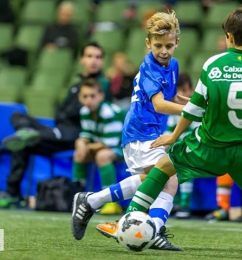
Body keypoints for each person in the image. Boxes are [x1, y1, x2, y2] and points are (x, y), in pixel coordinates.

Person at [123, 5, 242, 231]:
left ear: (229, 36)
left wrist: (174, 136)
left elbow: (195, 109)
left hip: (210, 146)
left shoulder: (213, 65)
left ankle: (130, 220)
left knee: (165, 166)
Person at [71, 10, 189, 251]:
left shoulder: (173, 65)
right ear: (148, 44)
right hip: (139, 133)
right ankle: (153, 229)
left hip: (152, 133)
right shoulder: (149, 68)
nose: (163, 51)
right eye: (158, 45)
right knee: (169, 179)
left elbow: (172, 96)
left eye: (168, 45)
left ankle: (91, 200)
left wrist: (197, 103)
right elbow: (159, 104)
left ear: (177, 42)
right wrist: (193, 112)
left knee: (155, 181)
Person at [0, 42, 110, 208]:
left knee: (26, 140)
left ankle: (19, 138)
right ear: (81, 60)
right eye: (89, 56)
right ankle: (12, 193)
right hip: (57, 131)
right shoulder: (75, 86)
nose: (94, 61)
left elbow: (97, 115)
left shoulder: (102, 85)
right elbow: (61, 113)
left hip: (76, 134)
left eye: (98, 57)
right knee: (19, 122)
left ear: (102, 61)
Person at [72, 77, 126, 215]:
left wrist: (87, 146)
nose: (89, 100)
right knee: (79, 154)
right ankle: (78, 198)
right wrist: (81, 142)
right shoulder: (84, 112)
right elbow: (86, 135)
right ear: (79, 97)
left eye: (92, 96)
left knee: (102, 156)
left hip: (125, 146)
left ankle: (110, 202)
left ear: (101, 96)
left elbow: (109, 143)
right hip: (103, 144)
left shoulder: (109, 112)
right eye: (85, 96)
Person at [164, 73, 200, 219]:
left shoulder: (196, 109)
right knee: (164, 159)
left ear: (192, 90)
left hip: (195, 147)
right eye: (180, 91)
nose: (184, 94)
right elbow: (168, 132)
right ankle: (174, 201)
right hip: (179, 147)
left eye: (186, 90)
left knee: (185, 162)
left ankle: (185, 204)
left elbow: (197, 134)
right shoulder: (174, 112)